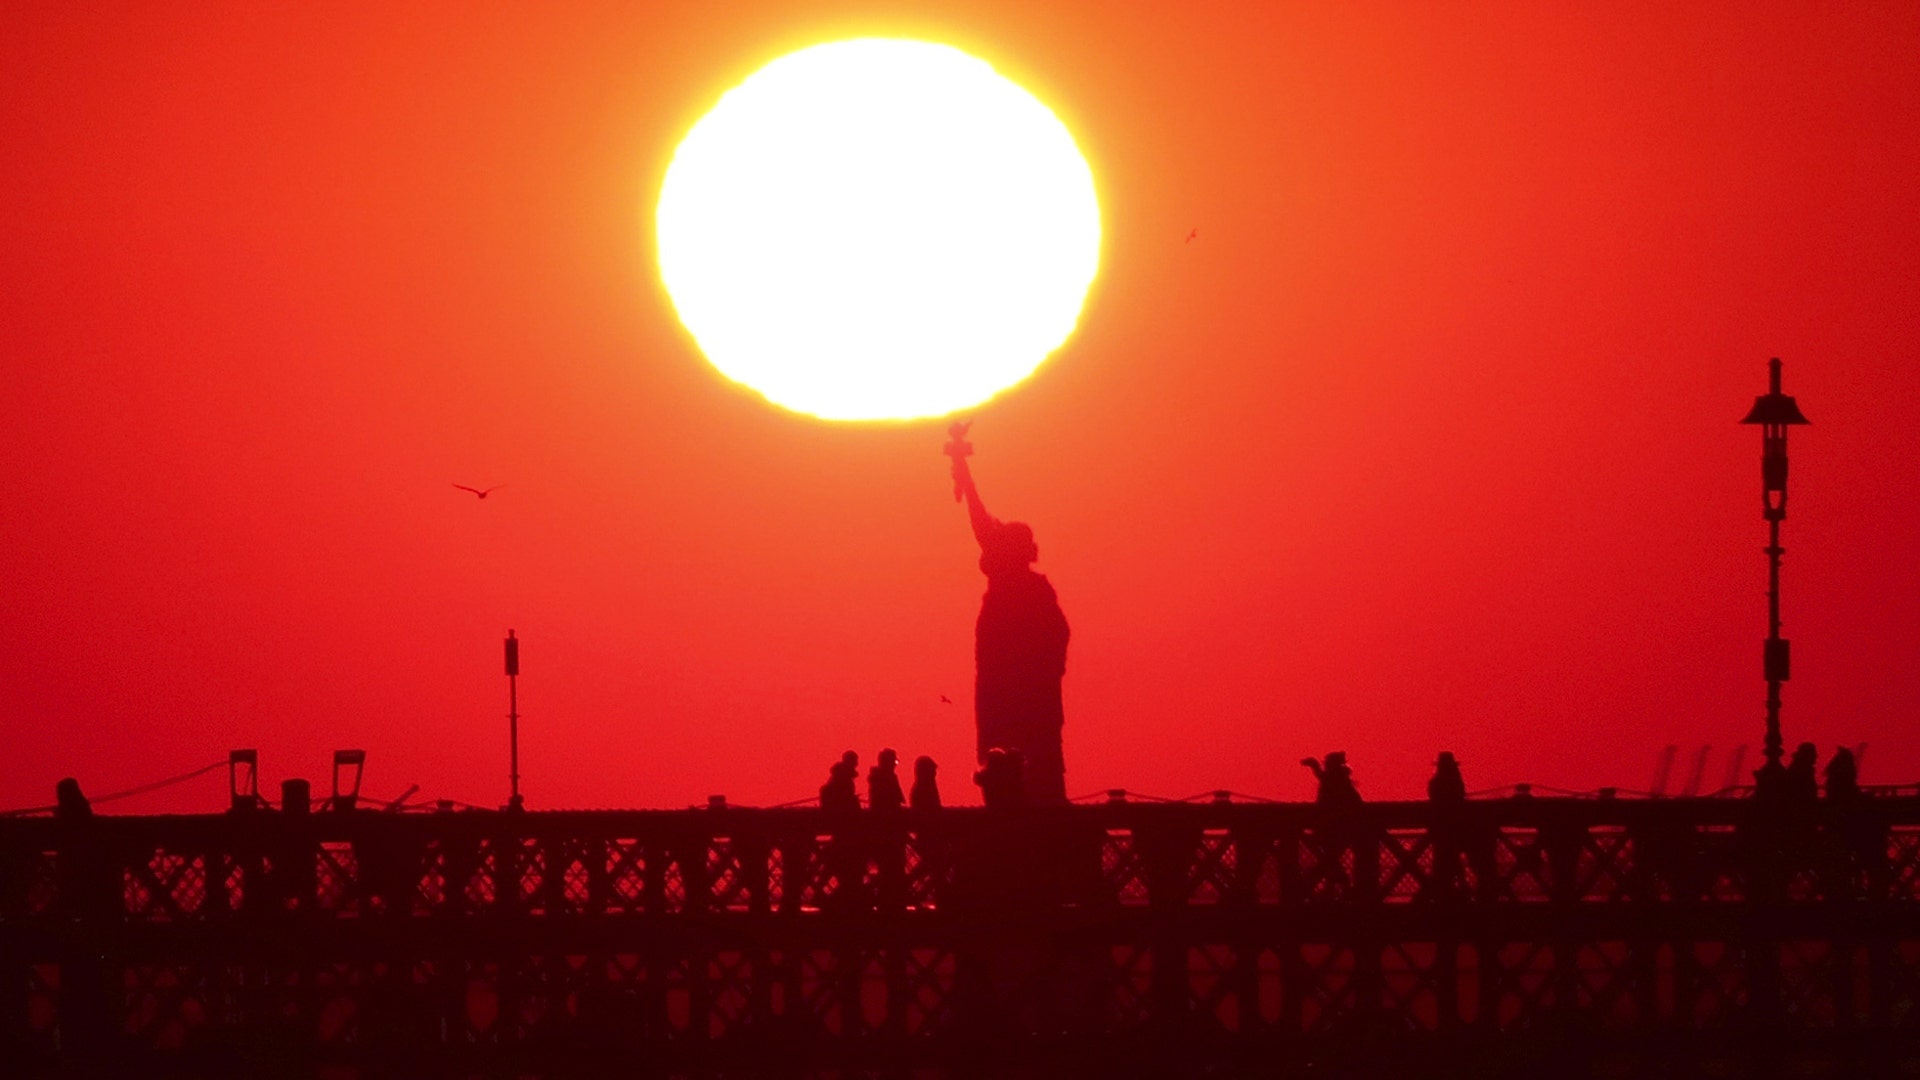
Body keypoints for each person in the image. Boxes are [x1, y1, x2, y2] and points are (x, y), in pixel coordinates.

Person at [946, 423, 1071, 804]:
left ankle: (1027, 794)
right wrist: (963, 471)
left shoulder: (1030, 593)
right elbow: (980, 519)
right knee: (1005, 736)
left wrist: (963, 472)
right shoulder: (1029, 590)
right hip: (1007, 684)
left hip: (1023, 688)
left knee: (1022, 740)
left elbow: (1057, 640)